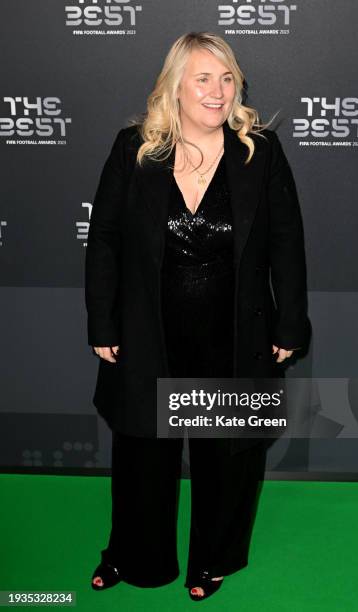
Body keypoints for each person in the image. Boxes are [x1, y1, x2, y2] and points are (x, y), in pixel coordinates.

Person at [85, 31, 310, 601]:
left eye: (227, 77)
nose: (218, 90)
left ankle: (212, 558)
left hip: (231, 336)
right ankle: (133, 554)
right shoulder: (134, 149)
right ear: (176, 87)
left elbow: (286, 243)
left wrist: (290, 324)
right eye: (203, 78)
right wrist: (103, 323)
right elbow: (105, 241)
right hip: (149, 334)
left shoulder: (260, 151)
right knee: (142, 456)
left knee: (226, 461)